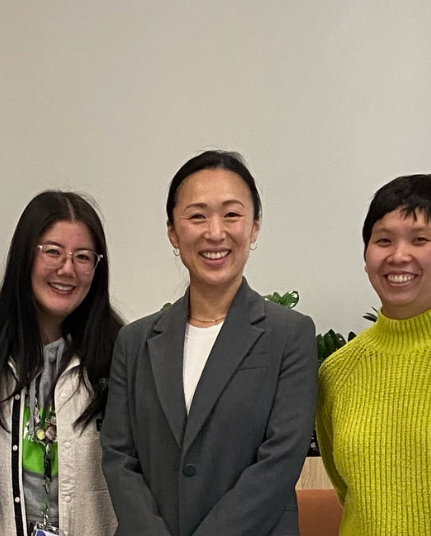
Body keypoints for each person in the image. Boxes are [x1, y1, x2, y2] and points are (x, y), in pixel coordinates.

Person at [101, 150, 317, 536]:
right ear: (172, 231)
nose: (215, 232)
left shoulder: (289, 335)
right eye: (197, 215)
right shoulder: (134, 342)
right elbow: (119, 457)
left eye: (232, 214)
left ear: (254, 227)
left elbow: (280, 461)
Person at [314, 174, 431, 535]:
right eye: (383, 240)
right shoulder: (336, 371)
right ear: (366, 254)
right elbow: (347, 490)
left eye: (420, 240)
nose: (398, 255)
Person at [0, 191, 126, 536]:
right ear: (24, 256)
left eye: (83, 257)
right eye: (53, 252)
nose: (67, 269)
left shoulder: (120, 354)